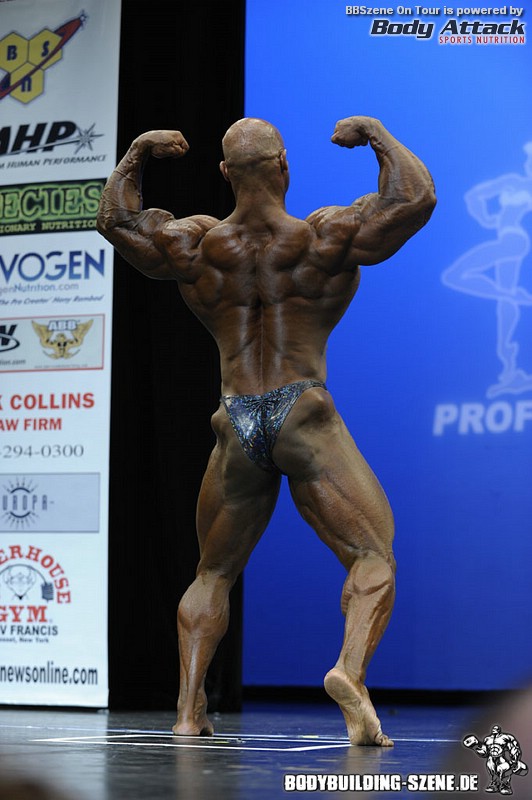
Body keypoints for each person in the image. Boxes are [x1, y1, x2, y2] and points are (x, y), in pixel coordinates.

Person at [97, 115, 436, 746]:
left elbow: (116, 221)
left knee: (212, 573)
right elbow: (415, 199)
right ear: (284, 165)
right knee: (372, 556)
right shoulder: (324, 236)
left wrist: (137, 153)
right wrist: (377, 135)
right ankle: (349, 673)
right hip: (302, 411)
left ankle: (188, 712)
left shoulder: (197, 245)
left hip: (237, 419)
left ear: (224, 173)